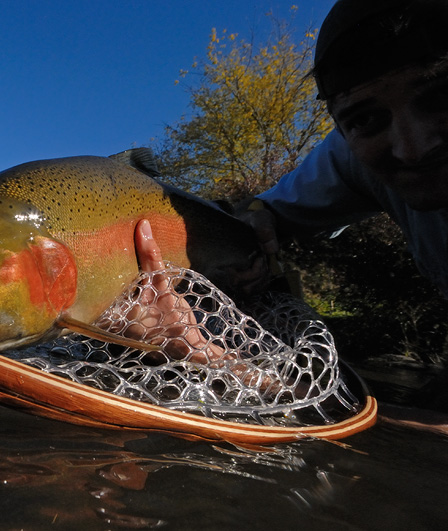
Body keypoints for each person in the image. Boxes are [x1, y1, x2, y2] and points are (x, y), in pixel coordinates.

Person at [132, 0, 448, 434]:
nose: (412, 147)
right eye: (367, 120)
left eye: (441, 96)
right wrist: (247, 244)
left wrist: (228, 369)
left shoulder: (382, 138)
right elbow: (265, 213)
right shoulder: (353, 151)